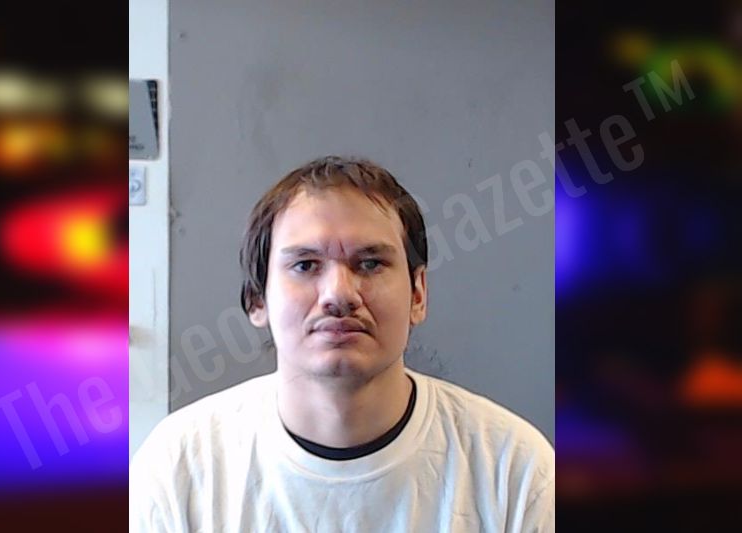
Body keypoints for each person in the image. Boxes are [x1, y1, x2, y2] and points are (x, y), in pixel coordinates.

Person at [130, 156, 554, 532]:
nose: (339, 294)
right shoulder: (179, 468)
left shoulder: (514, 471)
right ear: (257, 300)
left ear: (418, 294)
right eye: (305, 265)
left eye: (370, 263)